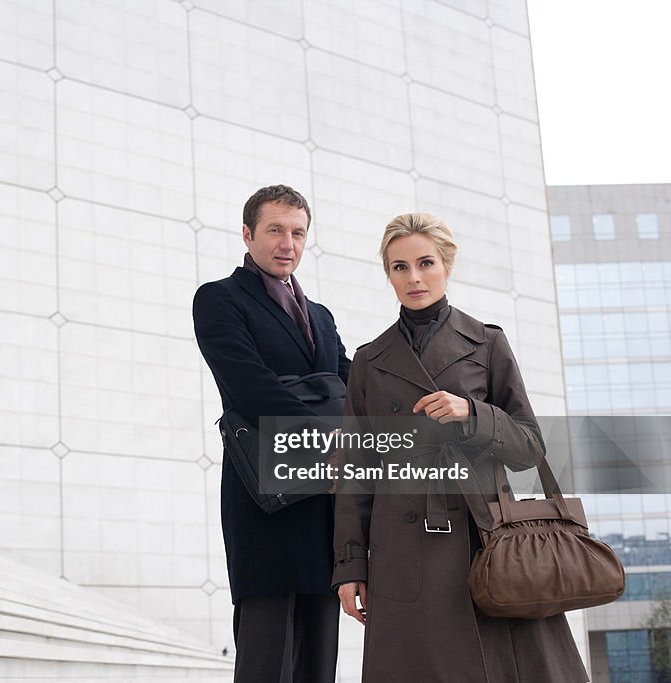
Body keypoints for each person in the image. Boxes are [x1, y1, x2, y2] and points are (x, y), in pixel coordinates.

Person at [333, 213, 588, 681]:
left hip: (482, 542)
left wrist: (473, 413)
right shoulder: (369, 361)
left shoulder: (487, 343)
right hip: (402, 551)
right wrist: (350, 566)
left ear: (446, 264)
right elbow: (356, 470)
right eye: (399, 267)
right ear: (387, 274)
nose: (414, 278)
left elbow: (530, 446)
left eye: (425, 262)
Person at [193, 185, 351, 683]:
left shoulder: (321, 317)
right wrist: (331, 439)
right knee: (267, 655)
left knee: (319, 659)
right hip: (268, 497)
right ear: (248, 234)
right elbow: (251, 388)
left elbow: (352, 385)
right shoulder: (219, 300)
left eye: (298, 233)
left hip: (324, 502)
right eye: (276, 230)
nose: (288, 243)